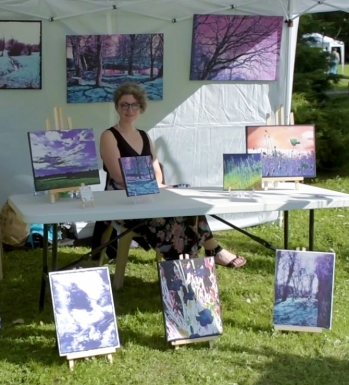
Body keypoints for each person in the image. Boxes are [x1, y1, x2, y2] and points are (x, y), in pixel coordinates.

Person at [94, 83, 247, 267]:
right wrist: (152, 187)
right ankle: (189, 260)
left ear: (141, 107)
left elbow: (156, 171)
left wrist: (158, 187)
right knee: (175, 217)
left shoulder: (143, 136)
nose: (129, 109)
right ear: (117, 107)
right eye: (124, 105)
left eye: (134, 105)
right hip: (123, 199)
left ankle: (200, 255)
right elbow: (118, 176)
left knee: (189, 204)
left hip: (150, 194)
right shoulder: (109, 136)